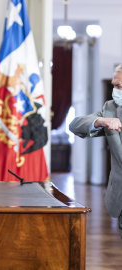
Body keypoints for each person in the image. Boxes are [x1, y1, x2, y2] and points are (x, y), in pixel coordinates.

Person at [69, 64, 122, 238]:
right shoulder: (110, 108)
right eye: (115, 85)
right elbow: (75, 125)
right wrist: (100, 121)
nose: (116, 91)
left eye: (120, 87)